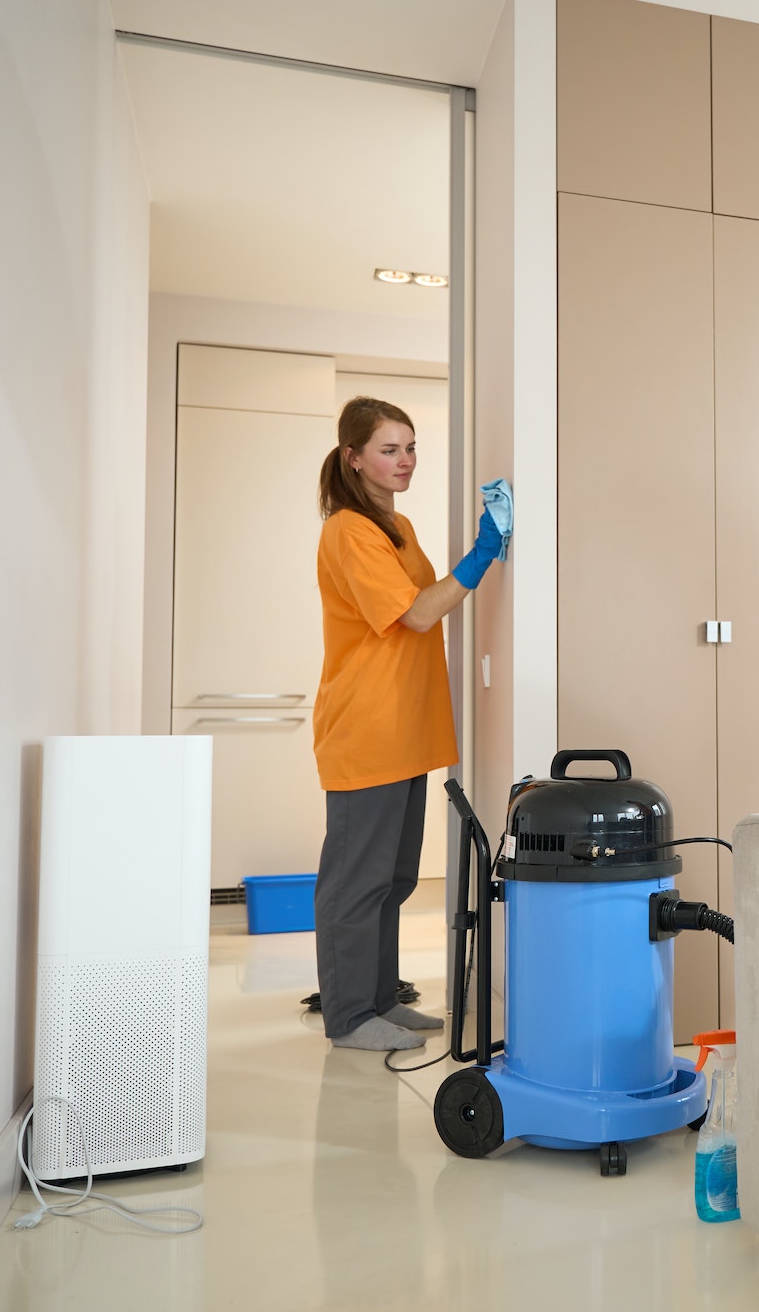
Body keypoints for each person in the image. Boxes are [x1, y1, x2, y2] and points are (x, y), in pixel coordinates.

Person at [312, 396, 506, 1051]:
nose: (405, 461)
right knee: (356, 880)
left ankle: (380, 999)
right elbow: (419, 614)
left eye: (411, 446)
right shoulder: (348, 530)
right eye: (389, 449)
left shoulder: (397, 527)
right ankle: (346, 1016)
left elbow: (423, 603)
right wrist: (484, 553)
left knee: (393, 880)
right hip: (368, 728)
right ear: (354, 457)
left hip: (406, 730)